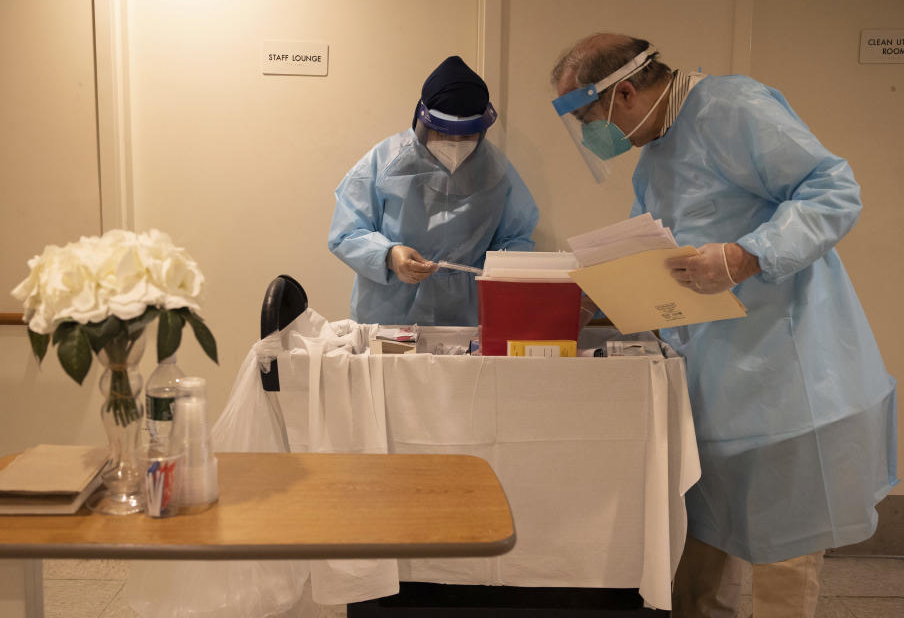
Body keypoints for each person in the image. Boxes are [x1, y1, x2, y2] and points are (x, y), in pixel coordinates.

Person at [551, 33, 897, 617]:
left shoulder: (735, 108)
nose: (591, 137)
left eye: (589, 120)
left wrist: (745, 256)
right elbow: (660, 251)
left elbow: (833, 191)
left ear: (626, 93)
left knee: (781, 553)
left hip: (785, 376)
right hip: (716, 378)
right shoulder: (657, 153)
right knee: (700, 540)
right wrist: (600, 295)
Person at [328, 56, 539, 326]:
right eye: (444, 134)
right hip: (388, 315)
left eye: (466, 136)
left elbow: (516, 238)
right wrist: (389, 256)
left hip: (466, 316)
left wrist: (500, 270)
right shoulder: (385, 163)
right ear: (423, 124)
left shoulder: (497, 172)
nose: (455, 144)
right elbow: (345, 233)